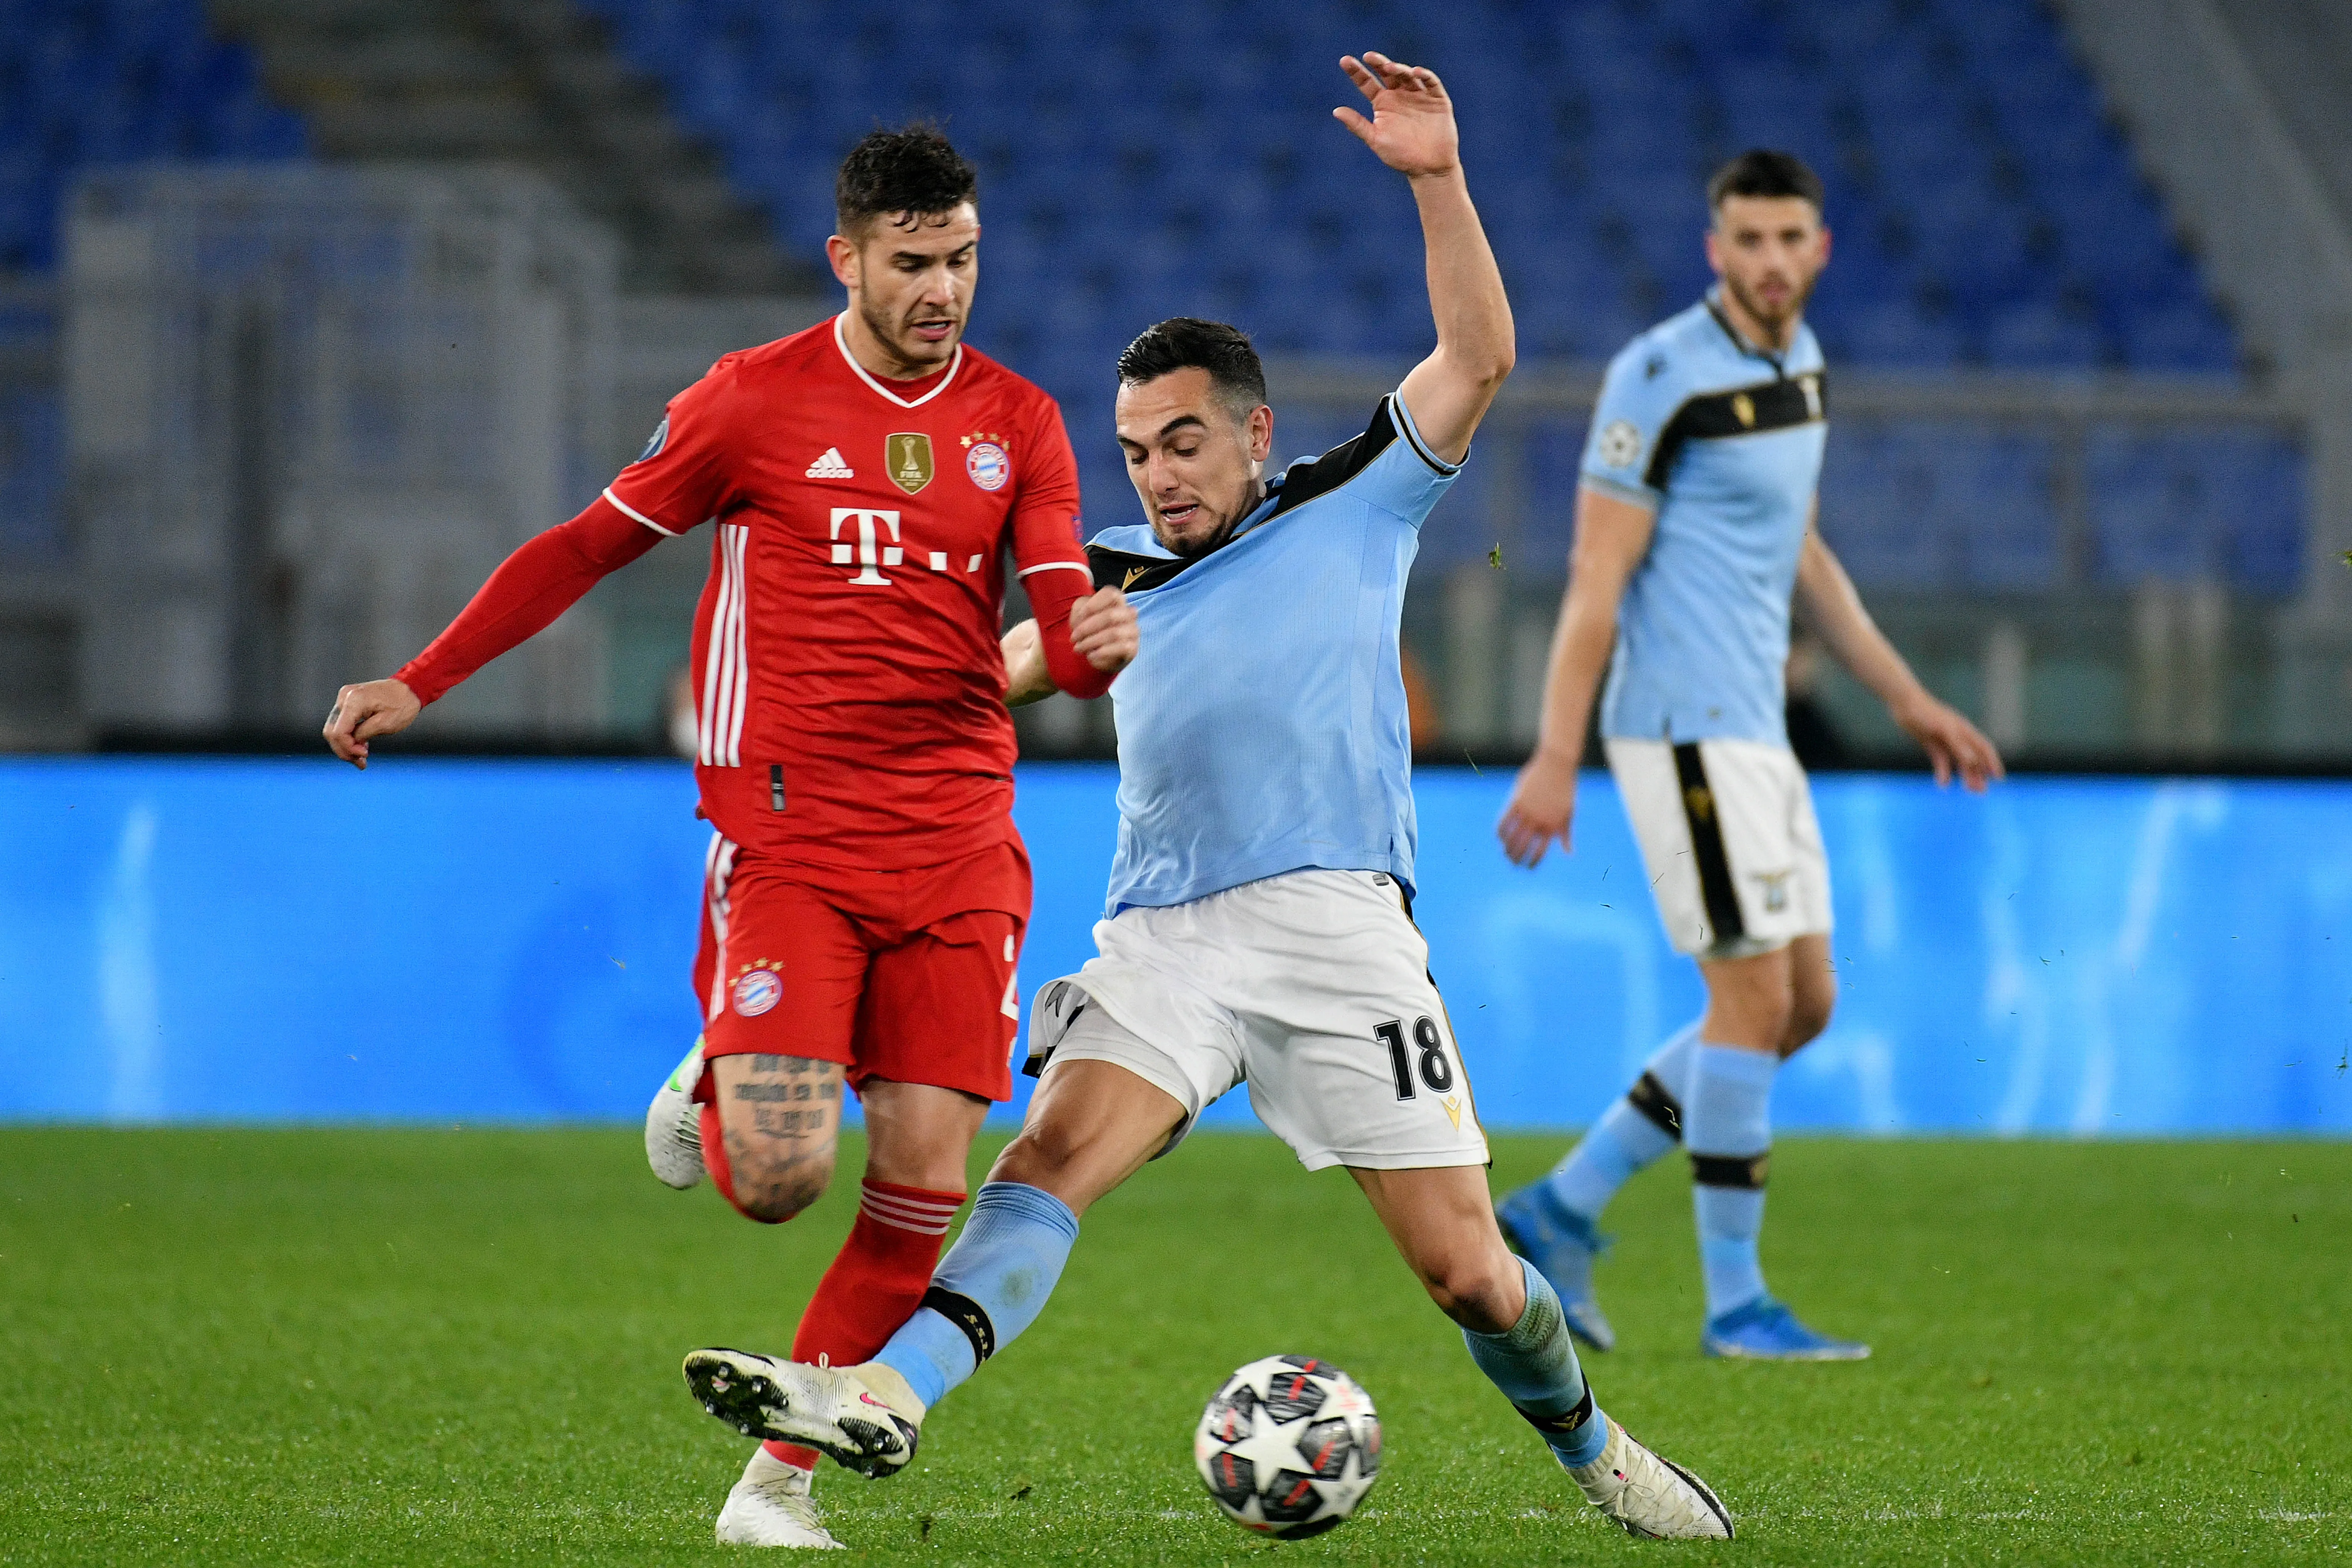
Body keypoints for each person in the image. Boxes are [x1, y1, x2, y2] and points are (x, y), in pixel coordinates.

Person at [676, 56, 1732, 1543]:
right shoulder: (1108, 572)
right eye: (1132, 453)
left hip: (1341, 936)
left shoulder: (1356, 495)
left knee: (1468, 1275)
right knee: (1047, 1160)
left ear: (1249, 431)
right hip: (1166, 942)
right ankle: (886, 1399)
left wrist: (1436, 178)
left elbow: (1479, 356)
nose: (1156, 477)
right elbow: (988, 671)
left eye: (1180, 443)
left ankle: (1596, 1453)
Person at [322, 126, 1140, 1549]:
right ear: (848, 259)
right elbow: (585, 544)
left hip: (957, 841)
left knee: (928, 1177)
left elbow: (1063, 629)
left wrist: (1094, 651)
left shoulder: (1021, 421)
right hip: (792, 834)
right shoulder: (751, 403)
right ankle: (724, 1063)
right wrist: (420, 678)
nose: (942, 288)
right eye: (912, 263)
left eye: (960, 260)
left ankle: (776, 1489)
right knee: (775, 1185)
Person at [1491, 150, 2004, 1361]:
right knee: (1752, 999)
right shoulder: (1660, 377)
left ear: (1819, 251)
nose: (1771, 261)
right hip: (1678, 731)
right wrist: (1557, 753)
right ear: (1714, 250)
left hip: (1756, 737)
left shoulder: (1802, 367)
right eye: (1748, 240)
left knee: (1804, 1006)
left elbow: (1801, 550)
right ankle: (1736, 1308)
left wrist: (1908, 697)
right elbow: (1593, 579)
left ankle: (1557, 1210)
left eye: (1791, 240)